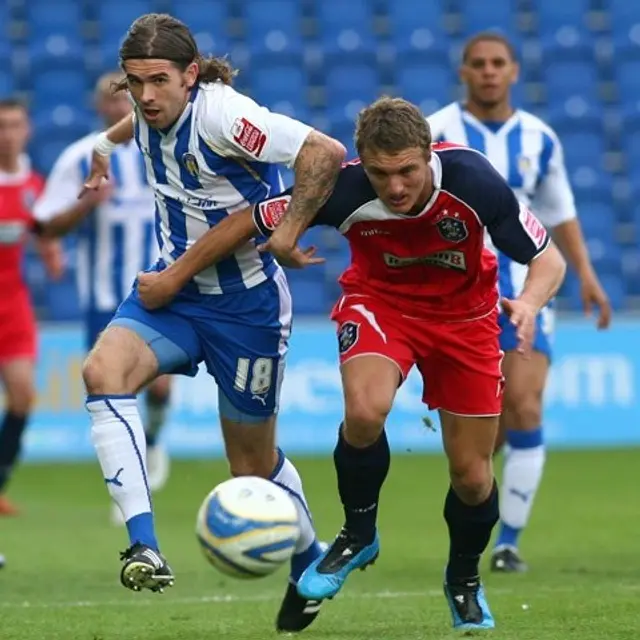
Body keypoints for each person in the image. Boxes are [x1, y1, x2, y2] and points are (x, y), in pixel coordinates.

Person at [134, 97, 567, 632]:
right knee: (365, 412)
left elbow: (548, 258)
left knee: (473, 477)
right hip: (380, 304)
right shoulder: (344, 188)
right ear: (363, 161)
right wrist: (178, 274)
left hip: (467, 320)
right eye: (382, 174)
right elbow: (251, 219)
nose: (396, 187)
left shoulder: (474, 181)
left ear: (429, 154)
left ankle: (463, 580)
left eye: (408, 170)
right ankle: (358, 535)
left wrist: (528, 302)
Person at [78, 13, 345, 633]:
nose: (146, 95)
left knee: (250, 468)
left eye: (159, 81)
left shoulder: (225, 117)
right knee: (102, 370)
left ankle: (309, 561)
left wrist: (288, 229)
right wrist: (101, 147)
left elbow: (324, 152)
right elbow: (132, 123)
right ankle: (143, 544)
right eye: (135, 81)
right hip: (171, 294)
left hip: (246, 309)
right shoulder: (147, 112)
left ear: (190, 76)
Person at [427, 32, 611, 573]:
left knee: (525, 403)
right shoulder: (437, 132)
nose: (488, 72)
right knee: (485, 428)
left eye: (498, 64)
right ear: (463, 72)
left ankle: (507, 542)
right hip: (457, 296)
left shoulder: (540, 139)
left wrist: (587, 276)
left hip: (526, 289)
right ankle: (476, 493)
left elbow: (560, 212)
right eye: (478, 64)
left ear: (514, 71)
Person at [33, 71, 172, 524]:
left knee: (162, 384)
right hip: (104, 297)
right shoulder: (80, 158)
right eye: (112, 102)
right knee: (117, 387)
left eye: (127, 99)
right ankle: (132, 485)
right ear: (100, 109)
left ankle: (151, 444)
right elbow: (46, 225)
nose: (121, 108)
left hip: (160, 287)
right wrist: (85, 205)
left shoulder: (166, 149)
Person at [0, 98, 63, 515]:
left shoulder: (35, 187)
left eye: (15, 125)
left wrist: (51, 251)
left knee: (22, 395)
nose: (8, 133)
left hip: (13, 304)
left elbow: (47, 235)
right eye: (1, 125)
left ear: (28, 131)